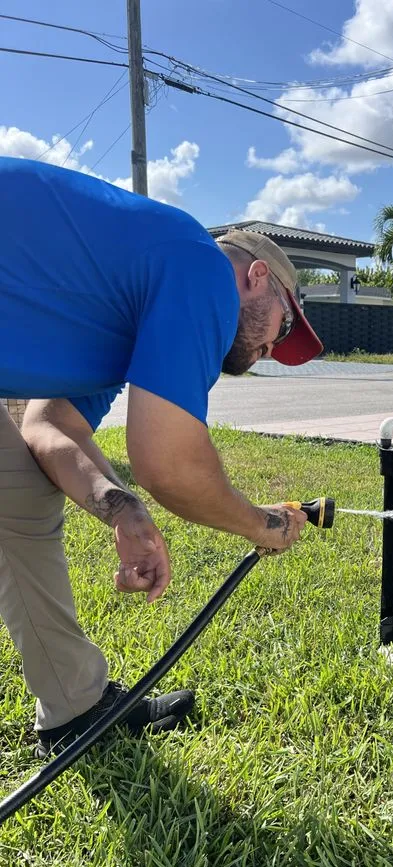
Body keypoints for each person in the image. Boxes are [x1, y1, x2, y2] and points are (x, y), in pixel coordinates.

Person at [0, 156, 324, 758]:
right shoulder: (200, 266)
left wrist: (120, 509)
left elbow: (49, 426)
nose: (272, 350)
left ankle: (73, 708)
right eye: (282, 328)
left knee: (17, 495)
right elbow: (168, 464)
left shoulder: (119, 312)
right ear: (257, 277)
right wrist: (264, 526)